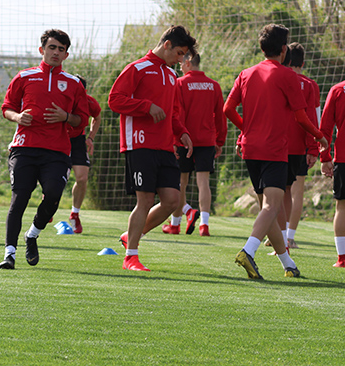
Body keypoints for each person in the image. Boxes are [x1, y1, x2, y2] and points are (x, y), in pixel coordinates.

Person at [223, 24, 327, 279]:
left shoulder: (246, 73)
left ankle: (287, 264)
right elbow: (301, 117)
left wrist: (246, 129)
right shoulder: (288, 76)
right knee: (272, 206)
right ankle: (248, 251)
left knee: (266, 210)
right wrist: (320, 137)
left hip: (250, 149)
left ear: (261, 48)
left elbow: (227, 109)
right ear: (283, 50)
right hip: (274, 149)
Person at [0, 29, 88, 269]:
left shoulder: (74, 83)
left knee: (54, 196)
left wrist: (66, 116)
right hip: (24, 149)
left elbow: (83, 119)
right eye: (52, 47)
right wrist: (17, 117)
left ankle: (32, 234)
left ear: (66, 54)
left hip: (56, 152)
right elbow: (7, 107)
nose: (56, 52)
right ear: (42, 50)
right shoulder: (24, 77)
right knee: (19, 199)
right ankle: (9, 254)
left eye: (61, 49)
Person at [108, 25, 195, 272]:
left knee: (172, 200)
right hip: (140, 143)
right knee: (144, 199)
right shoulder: (137, 68)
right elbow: (115, 99)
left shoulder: (170, 76)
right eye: (179, 53)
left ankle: (130, 235)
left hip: (166, 146)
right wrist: (146, 106)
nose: (180, 60)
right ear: (166, 44)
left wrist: (183, 132)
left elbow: (173, 113)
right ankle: (130, 257)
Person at [162, 51, 226, 237]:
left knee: (181, 182)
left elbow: (177, 114)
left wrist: (175, 140)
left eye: (182, 62)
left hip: (184, 141)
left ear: (189, 63)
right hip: (206, 141)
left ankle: (175, 224)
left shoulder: (180, 84)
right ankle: (204, 225)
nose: (180, 66)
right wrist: (219, 141)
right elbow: (220, 117)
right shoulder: (214, 86)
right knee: (203, 182)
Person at [282, 42, 320, 248]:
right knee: (296, 193)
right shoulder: (310, 84)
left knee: (277, 191)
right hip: (301, 146)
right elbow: (314, 119)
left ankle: (275, 233)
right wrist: (314, 148)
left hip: (277, 144)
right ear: (303, 63)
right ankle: (289, 237)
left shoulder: (279, 79)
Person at [67, 78, 101, 234]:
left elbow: (97, 116)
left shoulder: (89, 102)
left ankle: (75, 214)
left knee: (81, 178)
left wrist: (91, 138)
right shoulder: (62, 98)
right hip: (59, 139)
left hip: (78, 141)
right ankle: (47, 202)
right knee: (55, 177)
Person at [319, 79, 345, 268]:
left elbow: (325, 127)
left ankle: (342, 258)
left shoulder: (337, 90)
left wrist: (325, 157)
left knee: (342, 207)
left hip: (343, 157)